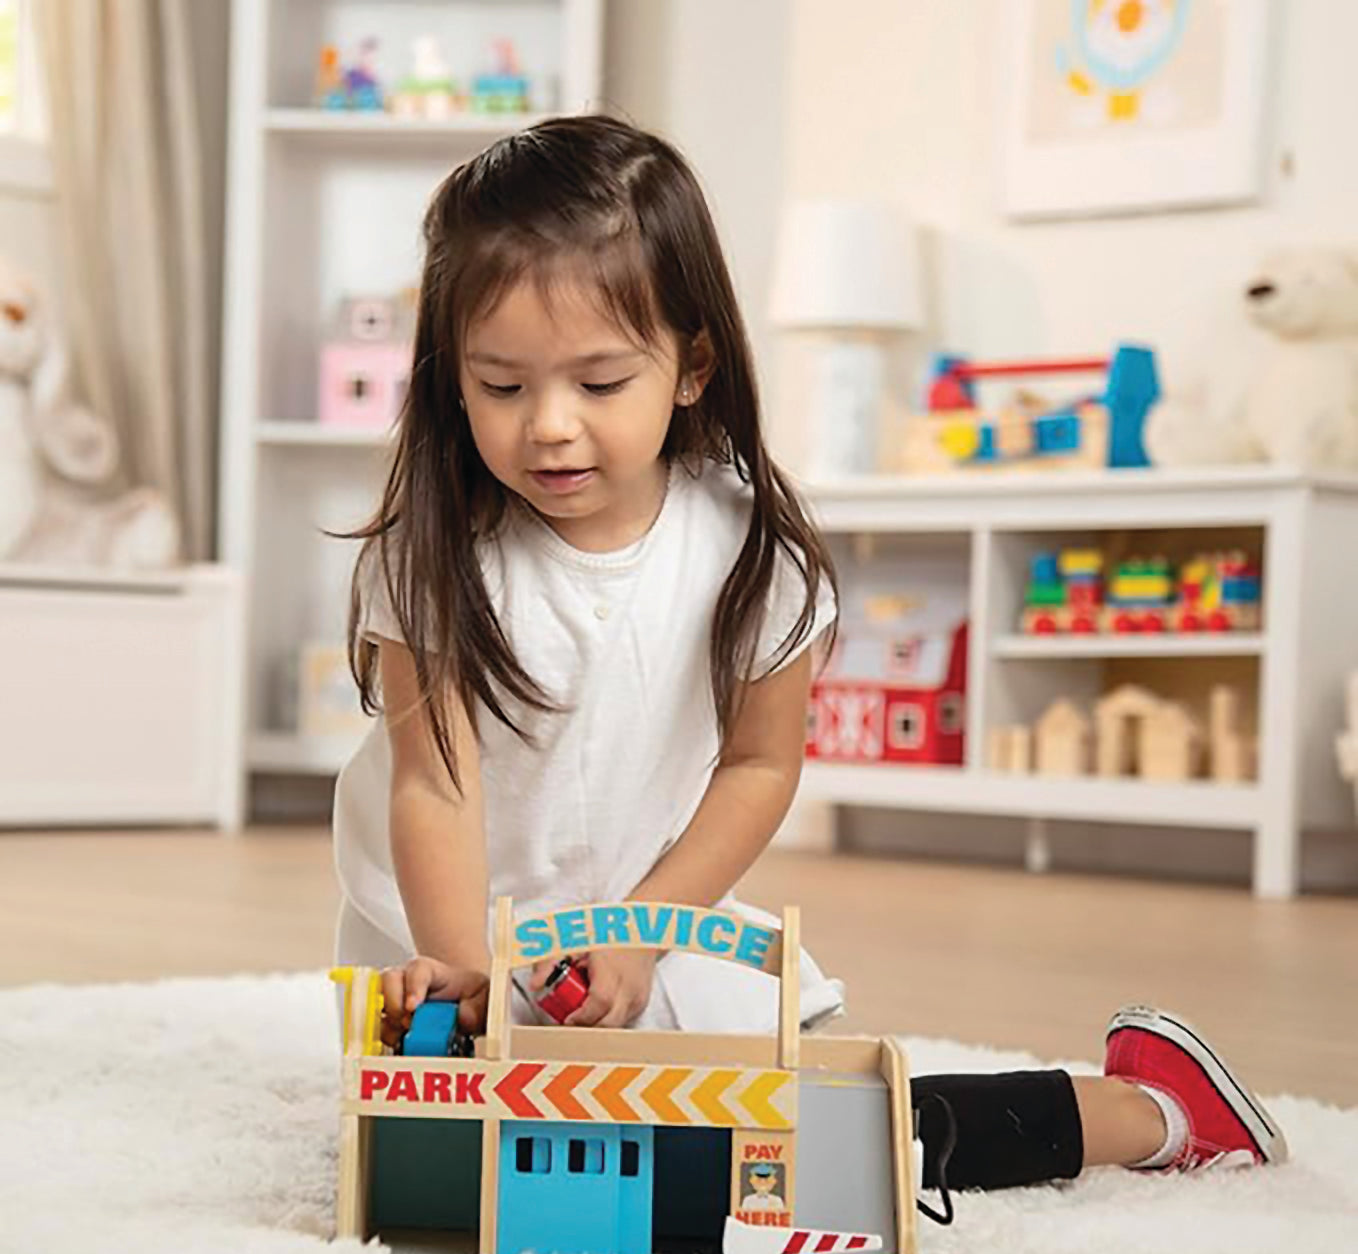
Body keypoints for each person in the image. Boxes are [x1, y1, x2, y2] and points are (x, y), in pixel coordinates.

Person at [333, 114, 1287, 1195]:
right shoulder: (430, 554)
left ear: (691, 365)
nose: (549, 425)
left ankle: (1148, 1111)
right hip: (447, 946)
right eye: (502, 386)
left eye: (598, 384)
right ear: (451, 376)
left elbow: (758, 766)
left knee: (803, 1152)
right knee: (481, 1171)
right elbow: (434, 784)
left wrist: (641, 936)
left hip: (650, 926)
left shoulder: (749, 549)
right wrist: (462, 974)